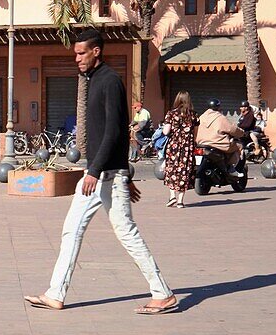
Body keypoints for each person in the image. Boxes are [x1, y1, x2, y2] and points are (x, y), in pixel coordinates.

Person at [23, 28, 177, 315]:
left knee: (126, 232)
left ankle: (163, 293)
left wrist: (104, 172)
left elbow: (116, 131)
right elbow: (112, 134)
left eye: (82, 53)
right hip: (101, 174)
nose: (77, 59)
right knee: (72, 229)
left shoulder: (109, 82)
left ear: (96, 51)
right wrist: (118, 172)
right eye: (76, 54)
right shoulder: (93, 80)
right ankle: (55, 293)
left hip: (103, 175)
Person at [161, 92, 199, 208]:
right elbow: (196, 132)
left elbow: (166, 132)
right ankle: (180, 201)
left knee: (172, 170)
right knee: (184, 172)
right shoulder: (193, 115)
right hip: (188, 147)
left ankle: (172, 196)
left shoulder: (171, 114)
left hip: (174, 147)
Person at [196, 99, 245, 177]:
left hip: (201, 143)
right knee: (238, 146)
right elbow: (232, 129)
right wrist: (242, 133)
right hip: (217, 143)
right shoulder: (220, 117)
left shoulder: (202, 117)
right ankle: (231, 168)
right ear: (218, 107)